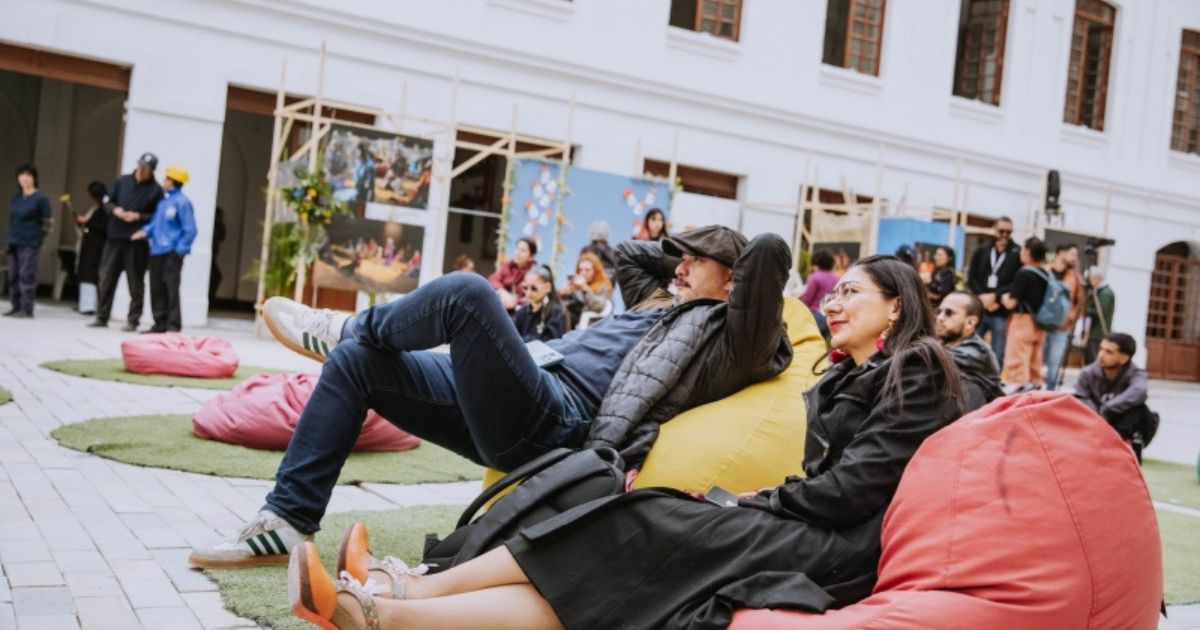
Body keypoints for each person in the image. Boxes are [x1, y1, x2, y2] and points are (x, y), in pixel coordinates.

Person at [284, 254, 965, 630]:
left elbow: (852, 490)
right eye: (832, 292)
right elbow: (636, 261)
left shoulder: (915, 367)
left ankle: (393, 606)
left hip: (835, 546)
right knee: (616, 529)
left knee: (638, 518)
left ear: (897, 305)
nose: (833, 302)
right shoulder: (668, 312)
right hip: (799, 519)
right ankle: (399, 596)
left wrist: (751, 502)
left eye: (851, 292)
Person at [189, 225, 793, 568]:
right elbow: (631, 255)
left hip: (558, 421)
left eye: (698, 260)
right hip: (520, 388)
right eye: (681, 257)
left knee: (467, 293)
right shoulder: (659, 300)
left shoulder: (732, 340)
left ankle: (345, 326)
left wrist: (728, 259)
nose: (681, 266)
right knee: (358, 365)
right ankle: (288, 521)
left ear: (734, 280)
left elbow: (767, 252)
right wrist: (688, 260)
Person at [91, 152, 164, 330]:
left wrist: (139, 216)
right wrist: (116, 210)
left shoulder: (156, 190)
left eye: (146, 168)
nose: (141, 169)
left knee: (135, 281)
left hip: (137, 240)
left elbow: (158, 216)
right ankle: (102, 316)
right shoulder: (122, 181)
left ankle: (133, 319)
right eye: (140, 165)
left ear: (152, 171)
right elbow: (107, 201)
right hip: (115, 236)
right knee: (106, 277)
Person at [131, 165, 196, 333]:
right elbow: (155, 224)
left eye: (167, 179)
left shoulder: (182, 202)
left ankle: (173, 324)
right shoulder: (163, 203)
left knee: (171, 288)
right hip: (157, 251)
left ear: (173, 182)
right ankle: (159, 323)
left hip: (172, 252)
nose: (164, 181)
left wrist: (180, 250)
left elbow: (190, 229)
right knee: (156, 287)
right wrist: (144, 232)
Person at [1074, 333, 1154, 459]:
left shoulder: (1135, 374)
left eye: (1109, 352)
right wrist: (1097, 415)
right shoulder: (1088, 373)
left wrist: (1108, 409)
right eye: (1101, 349)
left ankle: (1118, 444)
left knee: (1139, 408)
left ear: (1124, 358)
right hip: (1094, 421)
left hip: (1121, 423)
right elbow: (1080, 396)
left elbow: (1140, 391)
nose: (1101, 355)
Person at [967, 216, 1022, 366]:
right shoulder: (982, 250)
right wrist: (982, 298)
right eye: (1001, 231)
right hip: (980, 308)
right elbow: (971, 278)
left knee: (998, 354)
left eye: (1009, 232)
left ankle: (993, 379)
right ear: (994, 229)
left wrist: (995, 297)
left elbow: (1016, 282)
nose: (1004, 235)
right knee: (970, 347)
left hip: (1001, 311)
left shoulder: (1017, 253)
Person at [935, 291, 1003, 411]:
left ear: (970, 322)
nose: (940, 318)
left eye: (949, 313)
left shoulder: (977, 351)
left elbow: (933, 359)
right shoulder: (943, 344)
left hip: (982, 416)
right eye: (939, 312)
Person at [4, 164, 52, 318]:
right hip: (14, 240)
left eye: (28, 175)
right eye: (21, 175)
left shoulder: (41, 199)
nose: (24, 178)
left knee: (27, 274)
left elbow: (48, 223)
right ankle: (16, 306)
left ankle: (26, 308)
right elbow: (12, 220)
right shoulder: (16, 198)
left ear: (34, 178)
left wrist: (38, 238)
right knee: (13, 275)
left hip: (30, 242)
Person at [1000, 237, 1049, 387]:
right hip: (1040, 324)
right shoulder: (1046, 274)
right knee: (1035, 367)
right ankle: (1036, 395)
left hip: (1022, 323)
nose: (1020, 252)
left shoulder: (1024, 273)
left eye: (1023, 249)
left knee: (1016, 366)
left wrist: (1003, 297)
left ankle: (1018, 395)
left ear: (1028, 252)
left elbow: (1011, 303)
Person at [1043, 244, 1084, 390]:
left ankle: (1049, 394)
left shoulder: (1075, 277)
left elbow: (1079, 301)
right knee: (1036, 362)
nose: (1074, 258)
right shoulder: (1045, 271)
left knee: (1054, 364)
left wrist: (1070, 317)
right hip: (1041, 323)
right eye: (1072, 254)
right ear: (1061, 253)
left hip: (1062, 326)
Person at [75, 181, 109, 316]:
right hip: (89, 245)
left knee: (90, 273)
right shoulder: (96, 208)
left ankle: (89, 305)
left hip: (97, 246)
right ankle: (84, 304)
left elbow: (102, 227)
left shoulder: (105, 208)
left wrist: (87, 222)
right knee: (85, 273)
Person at [513, 265, 568, 342]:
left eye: (534, 288)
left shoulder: (557, 312)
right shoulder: (521, 312)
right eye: (525, 288)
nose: (528, 293)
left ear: (548, 287)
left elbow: (553, 342)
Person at [559, 251, 612, 327]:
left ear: (595, 271)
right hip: (571, 323)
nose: (583, 273)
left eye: (587, 270)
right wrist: (561, 294)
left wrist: (585, 289)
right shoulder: (576, 287)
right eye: (580, 270)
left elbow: (599, 307)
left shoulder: (603, 287)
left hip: (591, 325)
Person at [487, 237, 537, 310]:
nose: (517, 253)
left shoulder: (534, 272)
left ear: (531, 257)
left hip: (522, 310)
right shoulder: (508, 265)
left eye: (523, 251)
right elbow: (493, 280)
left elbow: (534, 296)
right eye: (517, 249)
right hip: (503, 305)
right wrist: (503, 292)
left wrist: (515, 302)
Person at [800, 249, 838, 337]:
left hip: (816, 316)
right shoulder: (836, 278)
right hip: (830, 316)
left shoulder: (814, 277)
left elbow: (808, 298)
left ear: (816, 263)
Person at [1083, 266, 1115, 365]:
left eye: (1090, 279)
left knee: (1093, 360)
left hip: (1097, 333)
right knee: (1089, 359)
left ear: (1097, 278)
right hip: (1093, 332)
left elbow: (1100, 312)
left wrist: (1084, 310)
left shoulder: (1105, 293)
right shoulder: (1098, 291)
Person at [209, 206, 226, 302]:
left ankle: (211, 298)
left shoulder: (219, 225)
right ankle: (210, 299)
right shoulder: (213, 225)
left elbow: (223, 236)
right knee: (216, 277)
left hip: (214, 255)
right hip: (211, 255)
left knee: (216, 277)